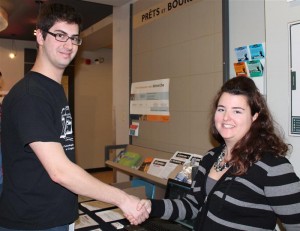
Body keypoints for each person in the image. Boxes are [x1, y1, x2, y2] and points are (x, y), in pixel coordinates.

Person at [0, 3, 148, 230]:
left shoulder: (53, 89)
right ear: (40, 36)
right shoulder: (31, 96)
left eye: (74, 38)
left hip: (56, 215)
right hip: (33, 222)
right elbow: (59, 171)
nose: (68, 44)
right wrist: (124, 199)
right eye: (60, 35)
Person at [134, 76, 300, 230]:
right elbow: (192, 205)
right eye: (221, 109)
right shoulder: (210, 157)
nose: (226, 118)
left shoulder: (273, 167)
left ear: (255, 116)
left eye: (237, 111)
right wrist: (151, 206)